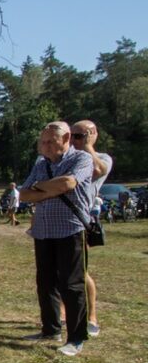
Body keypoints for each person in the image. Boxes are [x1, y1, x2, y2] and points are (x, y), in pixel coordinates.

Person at [19, 121, 94, 356]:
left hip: (70, 230)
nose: (46, 146)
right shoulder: (41, 164)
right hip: (43, 231)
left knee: (72, 285)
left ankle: (76, 337)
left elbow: (69, 183)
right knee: (46, 282)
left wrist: (40, 189)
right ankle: (50, 329)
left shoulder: (81, 159)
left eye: (51, 141)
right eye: (43, 142)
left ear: (66, 139)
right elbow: (24, 194)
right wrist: (50, 188)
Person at [71, 120, 111, 338]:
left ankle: (92, 316)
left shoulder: (102, 158)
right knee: (60, 273)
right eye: (73, 135)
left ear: (93, 134)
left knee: (80, 271)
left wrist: (87, 146)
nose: (75, 140)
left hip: (83, 221)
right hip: (62, 222)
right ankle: (62, 316)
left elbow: (97, 170)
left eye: (80, 135)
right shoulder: (67, 158)